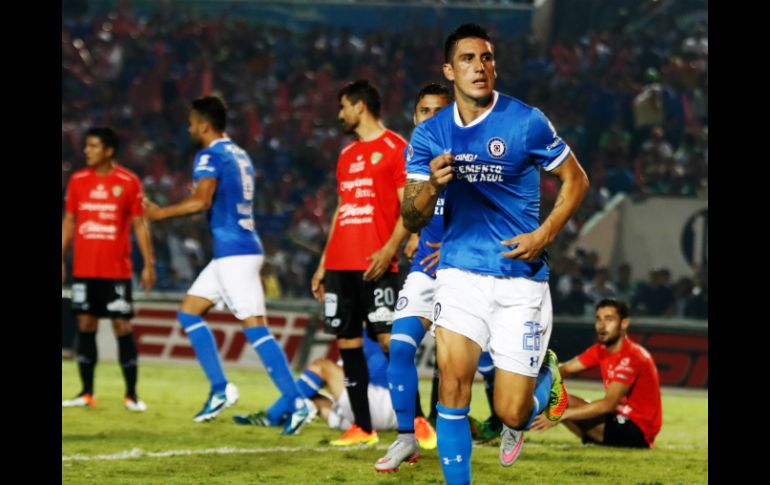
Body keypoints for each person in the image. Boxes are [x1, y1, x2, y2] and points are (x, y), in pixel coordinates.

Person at [401, 23, 590, 484]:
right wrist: (430, 187)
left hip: (520, 279)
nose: (479, 67)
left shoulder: (526, 121)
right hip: (459, 274)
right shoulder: (429, 135)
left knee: (511, 411)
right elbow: (411, 215)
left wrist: (544, 235)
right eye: (467, 59)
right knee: (452, 384)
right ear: (449, 70)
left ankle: (543, 378)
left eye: (486, 58)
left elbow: (576, 180)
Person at [143, 96, 314, 434]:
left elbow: (201, 200)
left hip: (235, 254)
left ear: (205, 124)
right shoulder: (239, 153)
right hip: (233, 251)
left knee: (255, 328)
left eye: (192, 123)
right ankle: (221, 388)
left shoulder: (210, 154)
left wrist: (159, 213)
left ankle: (297, 403)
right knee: (189, 311)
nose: (190, 128)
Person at [376, 83, 500, 472]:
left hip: (470, 273)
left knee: (486, 368)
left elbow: (493, 218)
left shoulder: (472, 157)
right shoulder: (415, 159)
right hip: (426, 272)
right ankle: (405, 438)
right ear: (415, 118)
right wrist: (414, 234)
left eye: (438, 111)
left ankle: (516, 410)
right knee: (398, 346)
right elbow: (413, 211)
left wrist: (450, 247)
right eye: (423, 111)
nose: (430, 118)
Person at [310, 80, 411, 446]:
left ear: (359, 107)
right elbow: (342, 210)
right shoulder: (346, 155)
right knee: (348, 344)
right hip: (340, 263)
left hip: (376, 262)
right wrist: (323, 264)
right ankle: (363, 428)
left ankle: (414, 420)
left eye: (343, 107)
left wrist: (390, 249)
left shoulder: (395, 147)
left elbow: (408, 207)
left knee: (388, 339)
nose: (339, 114)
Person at [62, 127, 156, 412]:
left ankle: (131, 395)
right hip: (85, 268)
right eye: (86, 146)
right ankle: (86, 393)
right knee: (85, 325)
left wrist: (148, 264)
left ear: (109, 150)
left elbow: (140, 223)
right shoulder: (78, 181)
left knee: (121, 326)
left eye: (93, 146)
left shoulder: (128, 181)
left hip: (116, 270)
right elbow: (69, 221)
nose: (87, 151)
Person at [531, 299, 662, 448]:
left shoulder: (632, 356)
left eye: (609, 319)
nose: (601, 325)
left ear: (624, 323)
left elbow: (608, 404)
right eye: (598, 319)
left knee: (560, 401)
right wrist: (531, 379)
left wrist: (561, 415)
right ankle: (510, 424)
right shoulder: (601, 350)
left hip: (637, 430)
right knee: (555, 394)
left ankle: (515, 430)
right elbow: (565, 370)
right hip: (616, 419)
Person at [233, 330, 397, 434]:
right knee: (311, 394)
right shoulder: (380, 331)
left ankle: (273, 415)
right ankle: (299, 409)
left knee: (321, 367)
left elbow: (365, 374)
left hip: (379, 405)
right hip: (389, 416)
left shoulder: (369, 335)